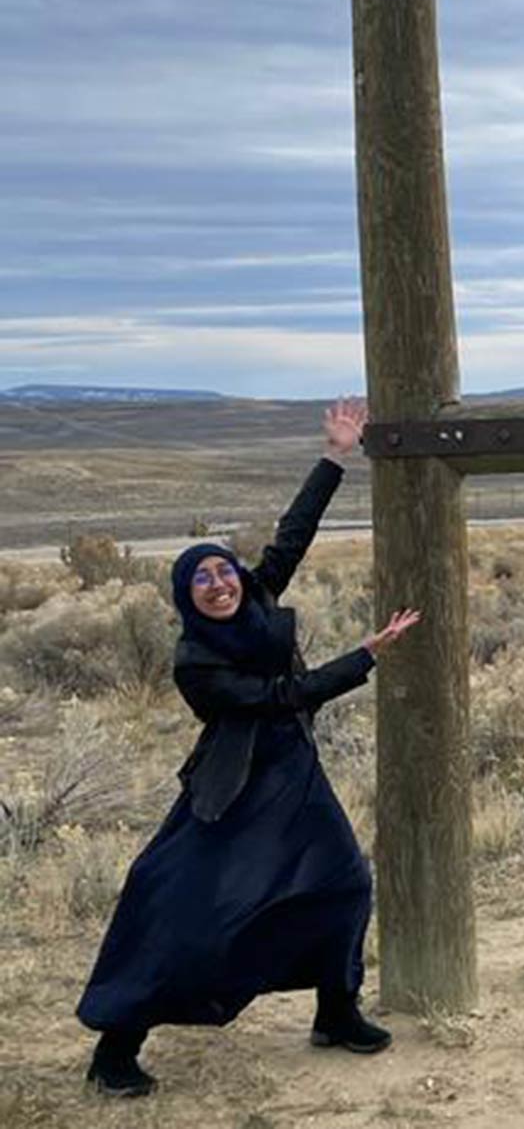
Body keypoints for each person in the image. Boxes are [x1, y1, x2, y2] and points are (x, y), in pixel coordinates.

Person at [76, 398, 422, 1097]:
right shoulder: (193, 663)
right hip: (233, 789)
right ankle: (116, 1044)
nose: (217, 583)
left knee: (344, 882)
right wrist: (366, 656)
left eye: (222, 570)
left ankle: (336, 1010)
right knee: (176, 904)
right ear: (186, 597)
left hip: (294, 775)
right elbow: (280, 699)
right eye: (200, 579)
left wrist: (335, 454)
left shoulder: (258, 594)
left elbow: (293, 536)